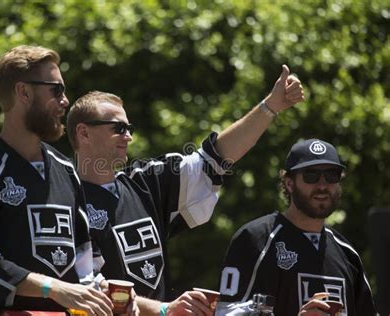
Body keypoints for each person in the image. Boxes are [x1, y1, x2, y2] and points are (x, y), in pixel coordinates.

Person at [66, 65, 305, 315]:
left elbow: (216, 159)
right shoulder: (65, 200)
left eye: (130, 129)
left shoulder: (146, 182)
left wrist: (270, 106)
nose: (128, 137)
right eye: (118, 128)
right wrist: (165, 310)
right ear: (84, 133)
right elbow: (89, 287)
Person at [0, 45, 122, 316]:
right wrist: (52, 288)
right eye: (56, 90)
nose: (66, 101)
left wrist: (109, 296)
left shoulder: (66, 171)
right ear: (23, 92)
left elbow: (85, 264)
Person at [217, 138, 376, 315]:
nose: (322, 185)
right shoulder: (255, 239)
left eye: (332, 174)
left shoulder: (347, 253)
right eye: (311, 175)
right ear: (289, 183)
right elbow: (225, 312)